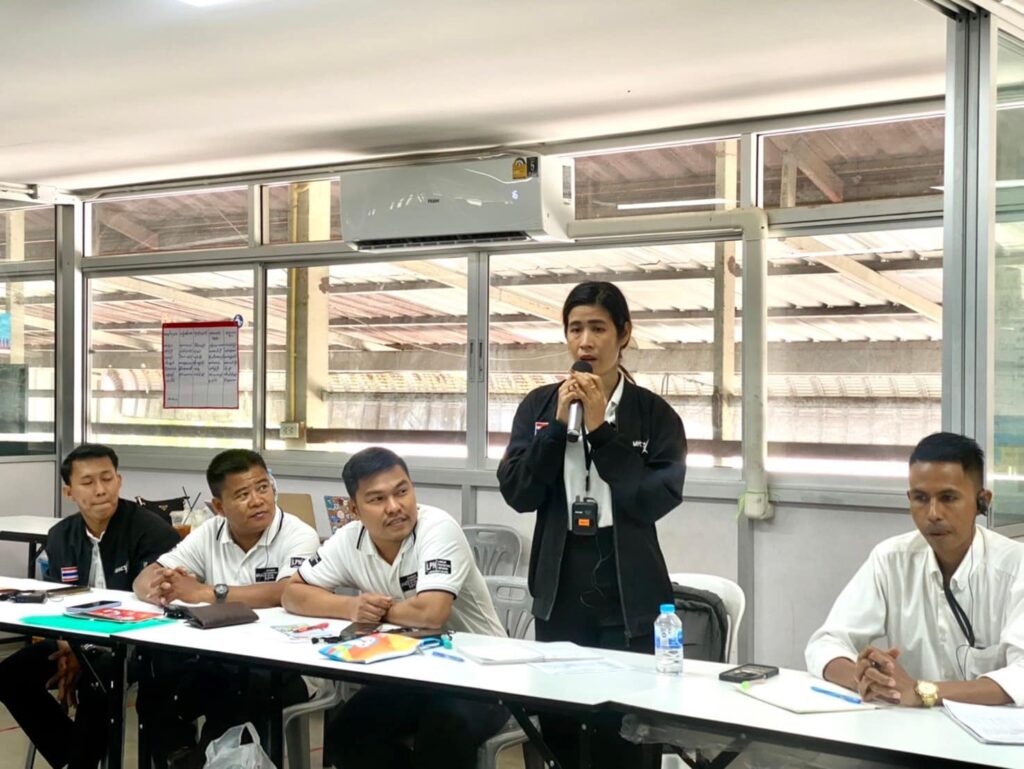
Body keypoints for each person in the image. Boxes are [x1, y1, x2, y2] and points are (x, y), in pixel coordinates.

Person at [497, 280, 686, 768]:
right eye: (575, 328)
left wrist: (601, 431)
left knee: (627, 734)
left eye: (598, 328)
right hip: (560, 583)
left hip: (628, 589)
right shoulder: (540, 407)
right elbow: (518, 493)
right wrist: (557, 429)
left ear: (624, 334)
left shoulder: (654, 414)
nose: (585, 341)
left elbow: (655, 499)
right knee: (562, 727)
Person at [283, 446, 508, 769]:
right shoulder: (348, 539)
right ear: (354, 509)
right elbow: (292, 593)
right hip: (412, 674)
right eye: (377, 499)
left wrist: (377, 611)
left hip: (482, 673)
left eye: (402, 492)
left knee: (443, 728)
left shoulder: (437, 528)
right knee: (347, 734)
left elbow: (431, 614)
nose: (394, 507)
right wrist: (351, 606)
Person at [806, 432, 1024, 708]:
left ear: (982, 501)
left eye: (948, 498)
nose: (933, 513)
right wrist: (866, 679)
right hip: (910, 725)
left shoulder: (1015, 567)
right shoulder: (890, 559)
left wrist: (924, 692)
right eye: (920, 498)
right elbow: (825, 643)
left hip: (993, 730)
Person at [133, 449, 320, 768]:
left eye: (263, 487)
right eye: (243, 494)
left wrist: (204, 593)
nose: (258, 500)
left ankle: (200, 762)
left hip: (288, 664)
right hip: (221, 658)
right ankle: (180, 758)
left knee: (233, 691)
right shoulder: (210, 532)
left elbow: (288, 592)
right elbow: (147, 576)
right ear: (219, 507)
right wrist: (159, 588)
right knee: (157, 684)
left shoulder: (298, 534)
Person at [0, 444, 180, 769]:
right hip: (75, 638)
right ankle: (69, 756)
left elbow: (160, 604)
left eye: (107, 479)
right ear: (69, 492)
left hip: (136, 644)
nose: (100, 490)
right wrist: (69, 645)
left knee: (99, 677)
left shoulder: (152, 531)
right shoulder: (60, 535)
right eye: (87, 482)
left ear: (119, 481)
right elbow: (57, 599)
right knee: (10, 674)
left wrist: (83, 651)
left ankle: (79, 762)